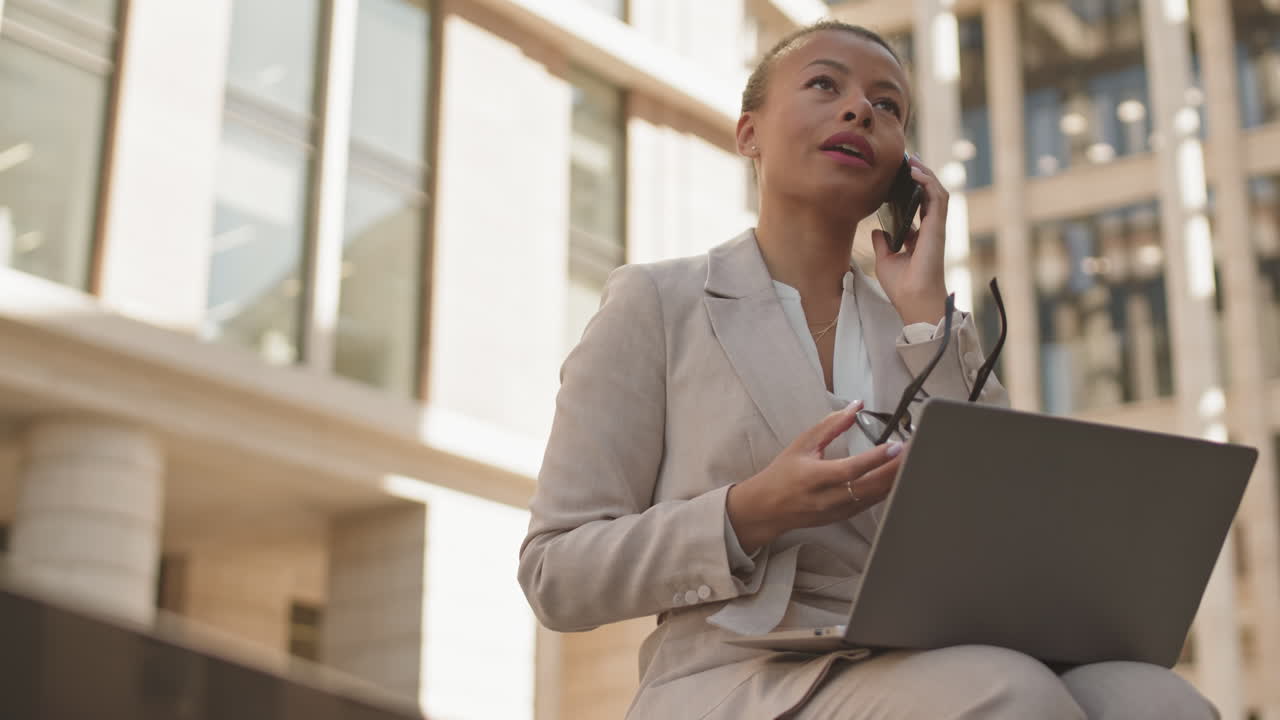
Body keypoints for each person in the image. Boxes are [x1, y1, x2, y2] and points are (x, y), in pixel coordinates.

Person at [518, 19, 1217, 720]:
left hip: (929, 655)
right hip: (740, 675)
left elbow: (1003, 529)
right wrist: (747, 513)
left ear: (904, 172)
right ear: (748, 133)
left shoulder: (922, 330)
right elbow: (556, 572)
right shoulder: (658, 305)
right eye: (825, 85)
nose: (860, 110)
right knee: (1008, 692)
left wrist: (924, 314)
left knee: (1158, 700)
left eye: (888, 107)